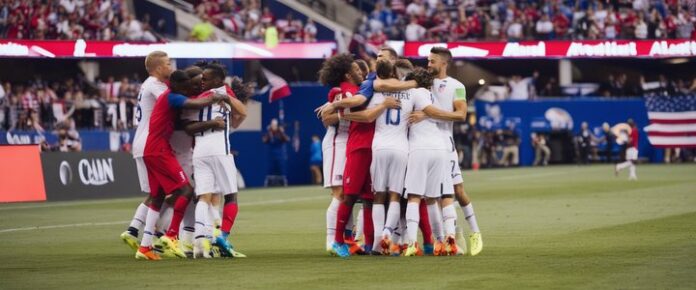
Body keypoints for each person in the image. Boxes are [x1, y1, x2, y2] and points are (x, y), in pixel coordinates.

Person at [319, 46, 417, 257]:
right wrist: (336, 105)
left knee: (370, 198)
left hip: (374, 148)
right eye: (356, 68)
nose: (362, 70)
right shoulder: (361, 86)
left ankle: (372, 244)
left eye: (381, 57)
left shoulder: (377, 85)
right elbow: (360, 110)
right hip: (359, 146)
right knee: (350, 195)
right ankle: (336, 240)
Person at [135, 70, 233, 260]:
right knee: (186, 190)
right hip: (159, 151)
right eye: (187, 86)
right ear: (178, 85)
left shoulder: (169, 96)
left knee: (157, 198)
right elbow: (196, 103)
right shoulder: (173, 97)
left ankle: (145, 246)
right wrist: (218, 96)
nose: (190, 89)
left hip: (151, 149)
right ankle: (172, 235)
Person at [410, 46, 482, 256]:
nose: (428, 64)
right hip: (424, 143)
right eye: (428, 61)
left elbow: (460, 115)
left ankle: (475, 233)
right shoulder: (422, 83)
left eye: (432, 61)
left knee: (456, 191)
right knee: (431, 196)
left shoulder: (456, 86)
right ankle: (442, 240)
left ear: (444, 63)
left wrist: (429, 114)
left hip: (445, 144)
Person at [341, 59, 411, 255]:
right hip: (401, 147)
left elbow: (366, 116)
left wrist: (342, 114)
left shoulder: (375, 93)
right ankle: (390, 232)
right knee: (395, 195)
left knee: (378, 195)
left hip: (378, 147)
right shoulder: (410, 94)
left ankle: (378, 242)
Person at [183, 63, 249, 259]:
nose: (202, 82)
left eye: (205, 78)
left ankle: (199, 243)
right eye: (201, 78)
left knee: (203, 197)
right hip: (220, 149)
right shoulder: (222, 90)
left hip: (199, 150)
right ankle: (223, 237)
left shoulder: (195, 98)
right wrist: (227, 98)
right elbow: (242, 112)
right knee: (231, 195)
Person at [120, 51, 171, 252]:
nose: (171, 66)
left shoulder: (148, 84)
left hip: (143, 141)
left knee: (159, 193)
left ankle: (135, 230)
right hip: (149, 143)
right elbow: (172, 103)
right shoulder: (155, 86)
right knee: (165, 193)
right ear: (158, 68)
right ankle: (158, 235)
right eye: (168, 63)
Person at [317, 53, 359, 253]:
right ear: (347, 74)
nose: (359, 71)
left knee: (348, 194)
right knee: (339, 193)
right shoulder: (338, 92)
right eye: (356, 69)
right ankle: (331, 240)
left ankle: (346, 238)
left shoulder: (354, 90)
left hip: (348, 144)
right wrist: (343, 111)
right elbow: (327, 118)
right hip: (337, 142)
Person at [262, 118, 290, 186]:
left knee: (281, 169)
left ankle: (284, 182)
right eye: (272, 125)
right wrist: (269, 132)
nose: (273, 126)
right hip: (271, 155)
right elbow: (264, 140)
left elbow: (287, 139)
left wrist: (282, 132)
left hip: (280, 155)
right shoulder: (269, 133)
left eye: (275, 125)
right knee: (270, 169)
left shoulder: (280, 133)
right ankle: (267, 183)